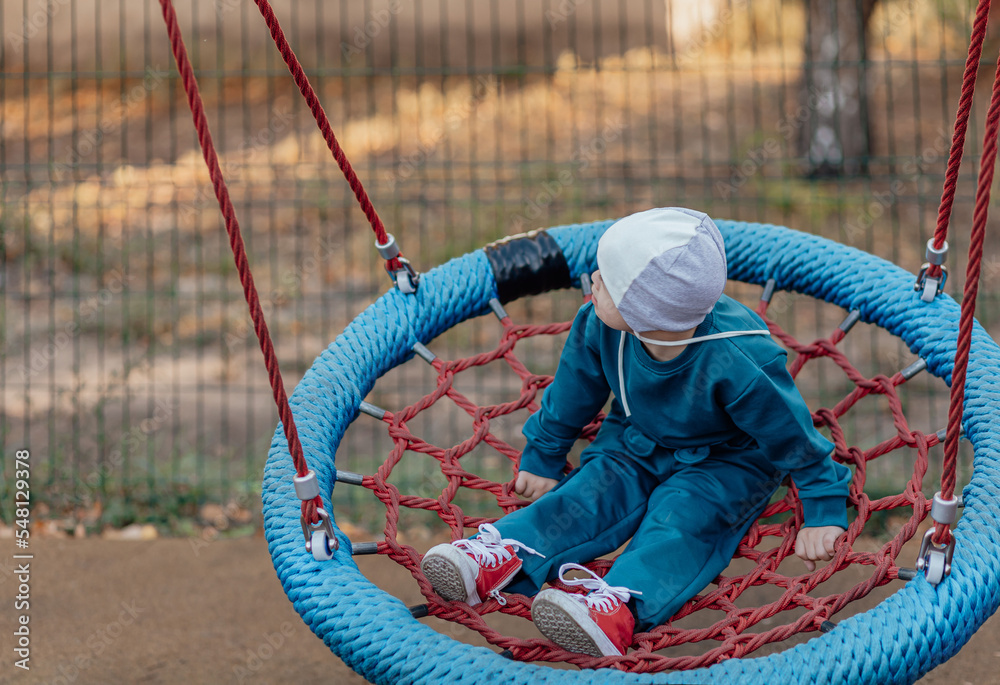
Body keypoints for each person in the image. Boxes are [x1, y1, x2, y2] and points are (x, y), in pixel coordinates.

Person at [420, 207, 851, 658]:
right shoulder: (601, 323)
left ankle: (620, 604)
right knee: (586, 493)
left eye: (607, 279)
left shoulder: (743, 359)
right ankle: (503, 555)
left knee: (683, 521)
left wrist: (822, 509)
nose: (593, 280)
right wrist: (545, 453)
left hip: (731, 460)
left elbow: (792, 435)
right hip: (636, 437)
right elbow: (574, 389)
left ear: (645, 311)